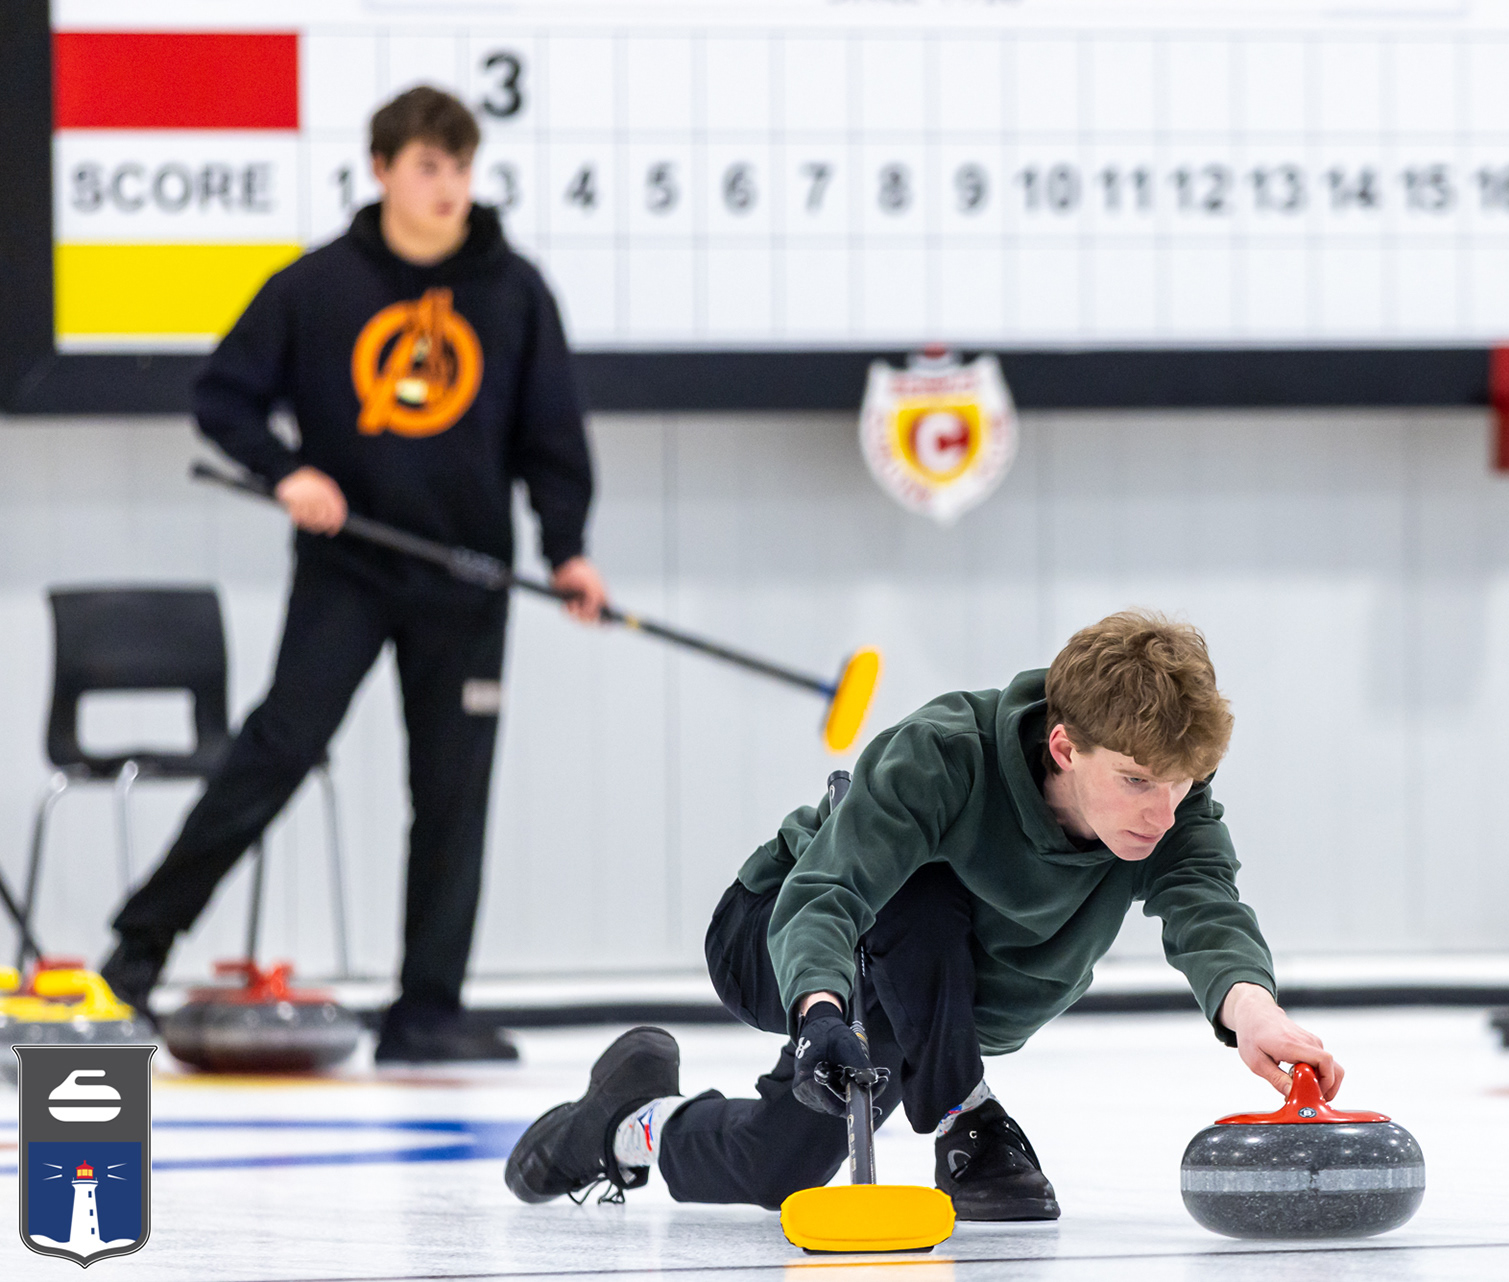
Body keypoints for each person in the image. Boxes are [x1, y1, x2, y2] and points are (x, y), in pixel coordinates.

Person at [504, 611, 1342, 1218]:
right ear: (1064, 746)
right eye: (1136, 781)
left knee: (776, 1167)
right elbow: (832, 891)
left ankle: (629, 1121)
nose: (1162, 812)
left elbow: (1206, 906)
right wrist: (820, 1012)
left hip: (923, 996)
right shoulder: (943, 756)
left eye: (1181, 785)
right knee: (925, 882)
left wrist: (1253, 1011)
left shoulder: (1171, 809)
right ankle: (966, 1117)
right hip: (780, 932)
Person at [99, 85, 604, 1063]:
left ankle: (427, 1010)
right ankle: (135, 955)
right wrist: (286, 471)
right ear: (381, 169)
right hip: (348, 573)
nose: (449, 186)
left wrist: (568, 549)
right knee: (276, 751)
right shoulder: (317, 286)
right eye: (429, 166)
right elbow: (222, 397)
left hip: (466, 581)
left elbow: (552, 438)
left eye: (462, 167)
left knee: (453, 792)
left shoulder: (515, 291)